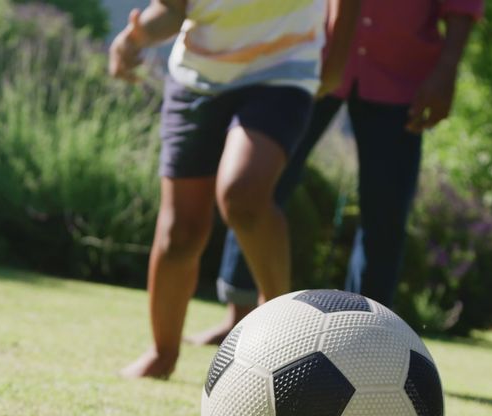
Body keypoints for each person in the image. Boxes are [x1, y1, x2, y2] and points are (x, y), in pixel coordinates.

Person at [189, 0, 484, 346]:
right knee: (260, 185)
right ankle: (240, 317)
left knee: (385, 213)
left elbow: (462, 6)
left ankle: (363, 339)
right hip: (312, 62)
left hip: (401, 77)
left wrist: (446, 70)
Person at [112, 0, 362, 379]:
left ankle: (282, 327)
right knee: (181, 231)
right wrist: (135, 37)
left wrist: (337, 58)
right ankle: (163, 354)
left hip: (283, 69)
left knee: (243, 193)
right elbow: (171, 9)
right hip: (198, 77)